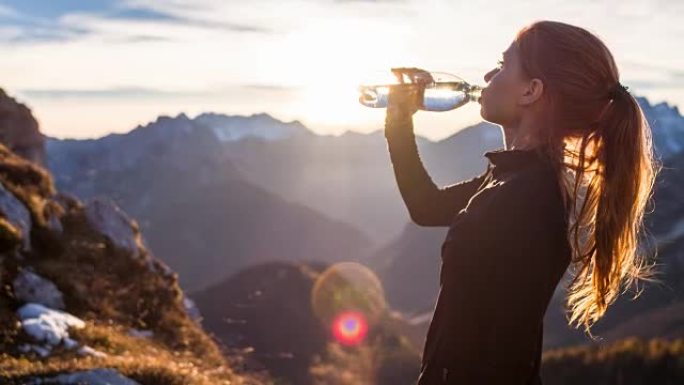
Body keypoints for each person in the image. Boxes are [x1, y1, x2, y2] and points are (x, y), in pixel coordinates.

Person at [383, 20, 661, 384]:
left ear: (531, 91)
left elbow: (501, 351)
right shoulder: (512, 179)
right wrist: (398, 121)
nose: (487, 74)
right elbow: (426, 207)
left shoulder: (525, 198)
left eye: (501, 65)